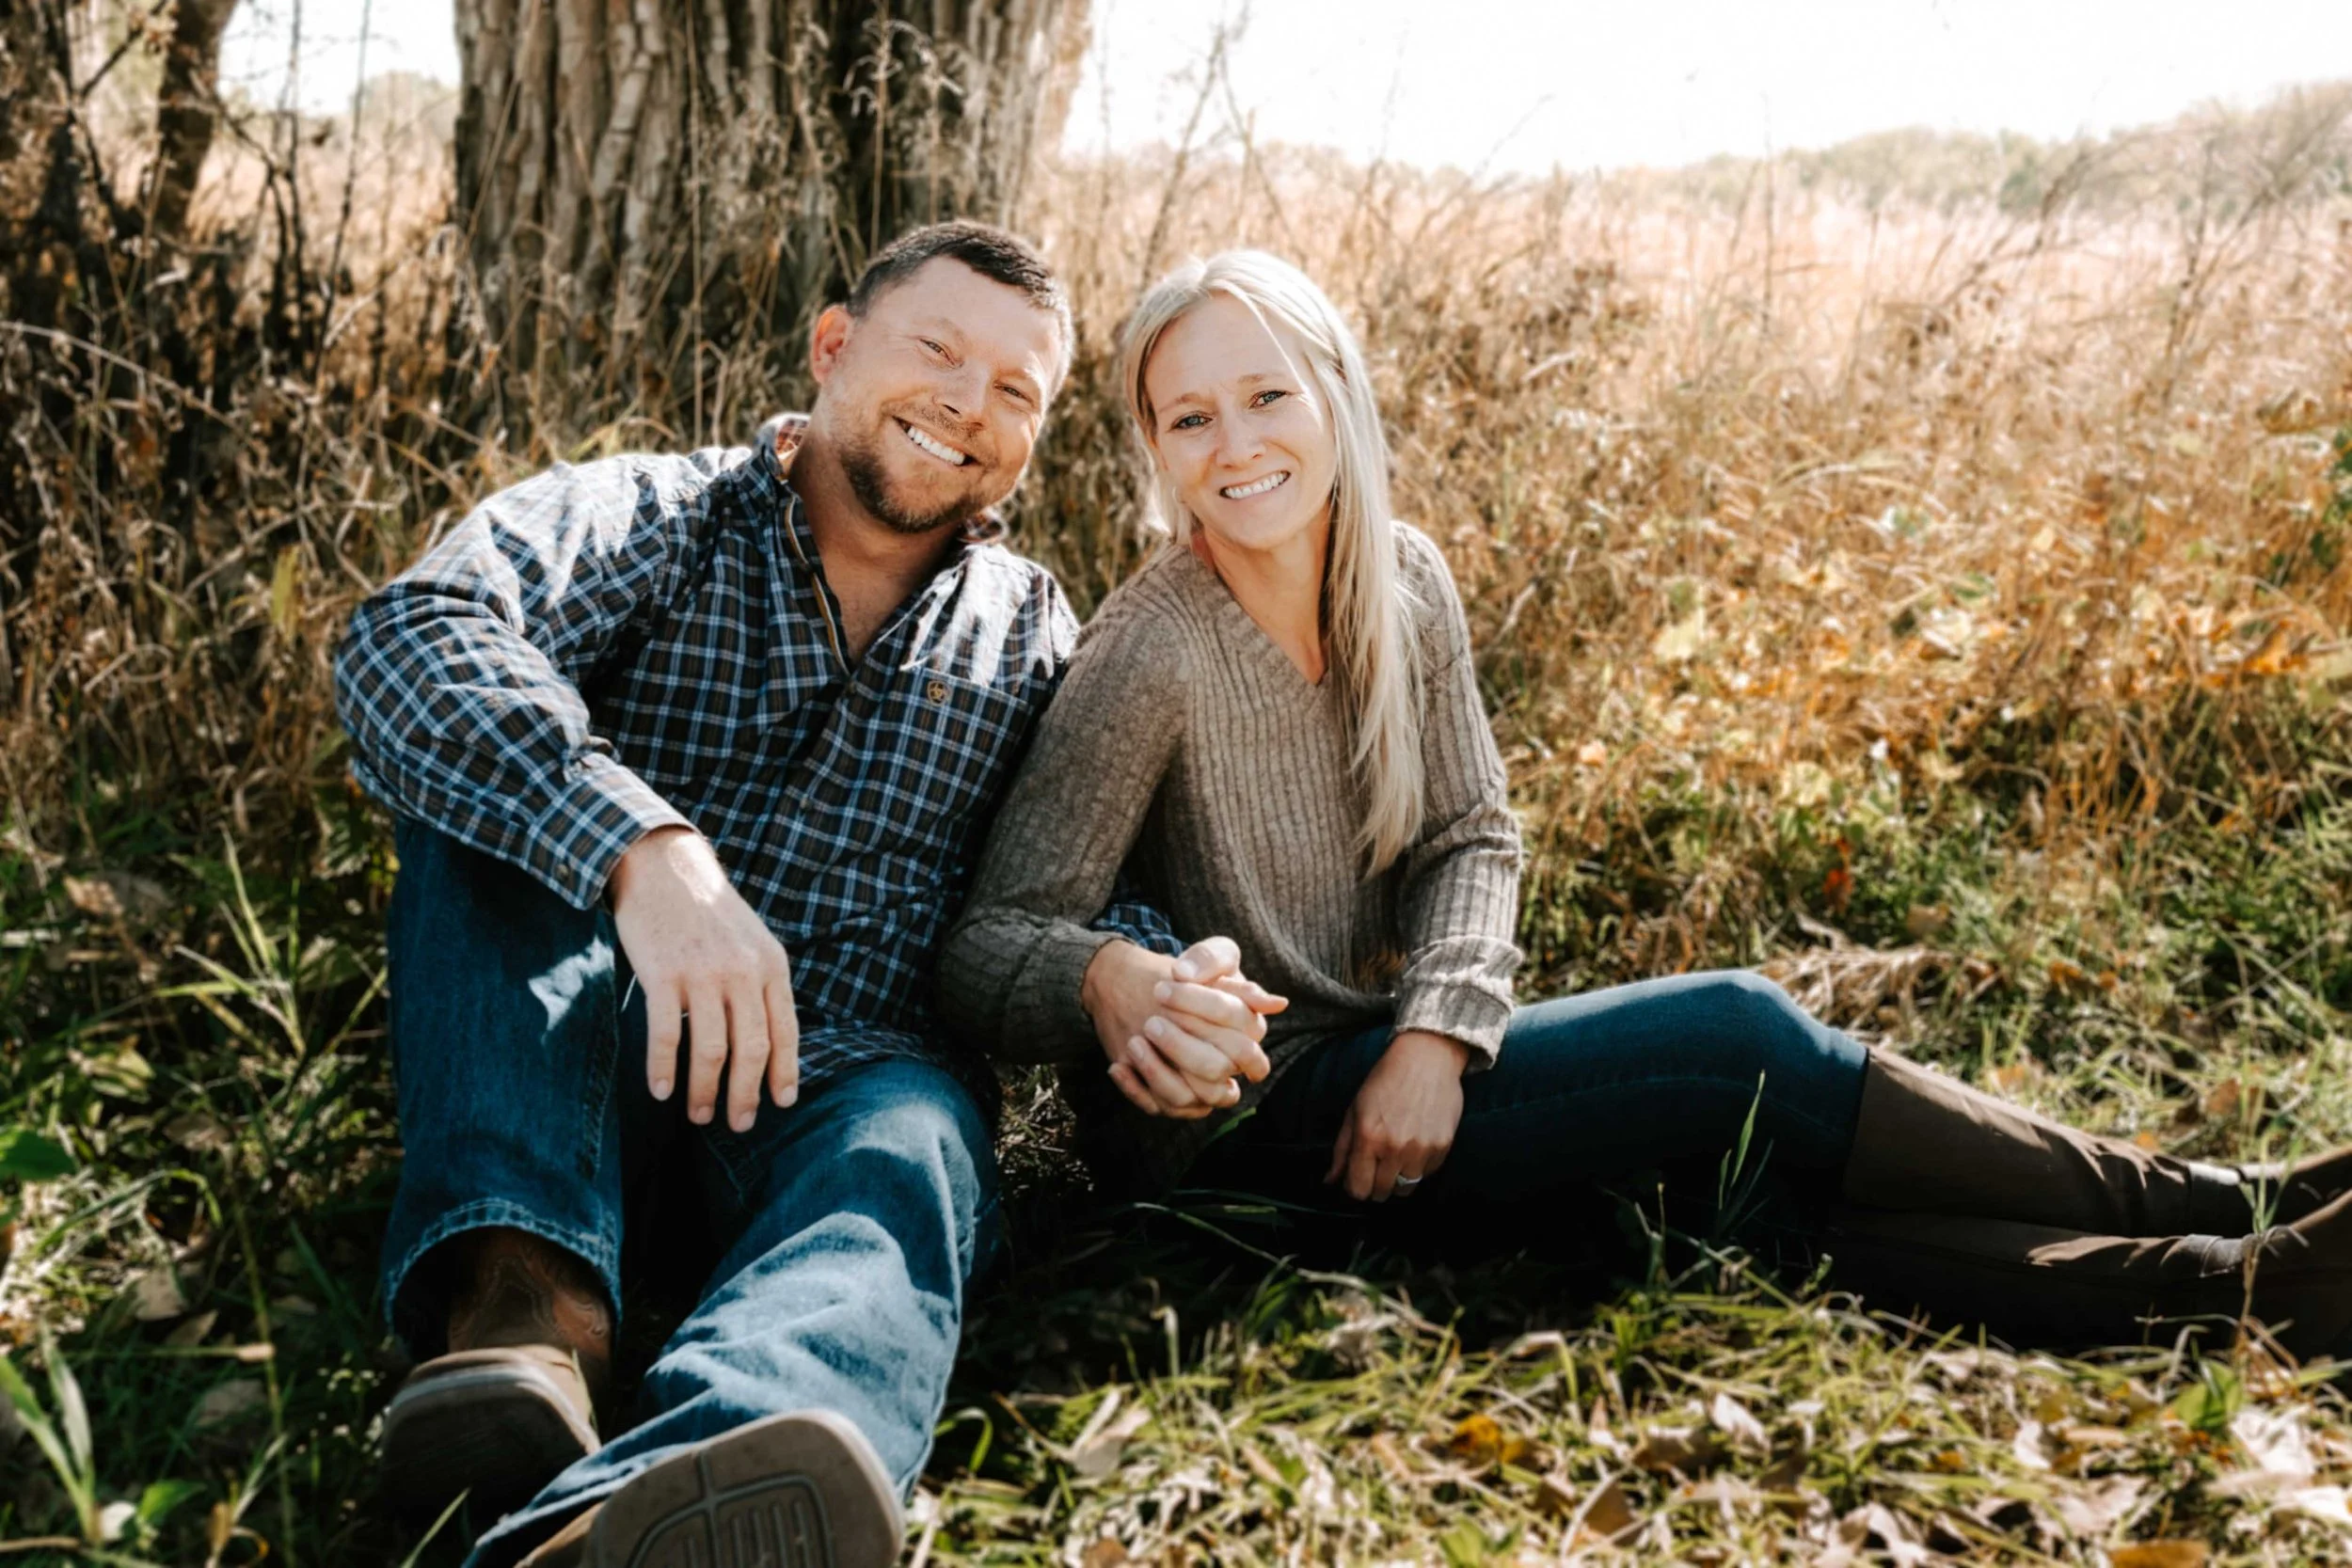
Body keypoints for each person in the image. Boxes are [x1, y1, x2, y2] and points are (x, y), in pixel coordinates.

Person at [940, 248, 2352, 1367]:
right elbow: (990, 938)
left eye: (1267, 396)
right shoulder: (1153, 647)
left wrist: (1438, 1028)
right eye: (1191, 416)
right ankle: (2218, 1199)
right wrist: (1112, 981)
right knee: (1735, 1036)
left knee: (1719, 1200)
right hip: (1248, 1125)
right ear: (1156, 451)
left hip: (1386, 1068)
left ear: (1335, 395)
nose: (1235, 442)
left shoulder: (1401, 580)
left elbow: (1471, 836)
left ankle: (2241, 1289)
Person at [334, 222, 1234, 1568]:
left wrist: (1154, 985)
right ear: (831, 348)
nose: (966, 406)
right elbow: (415, 636)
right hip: (570, 1066)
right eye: (937, 351)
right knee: (492, 818)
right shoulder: (657, 514)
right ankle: (527, 1320)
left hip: (838, 1082)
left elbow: (1092, 885)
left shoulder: (1037, 632)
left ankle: (664, 1496)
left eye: (1016, 393)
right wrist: (646, 852)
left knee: (921, 1140)